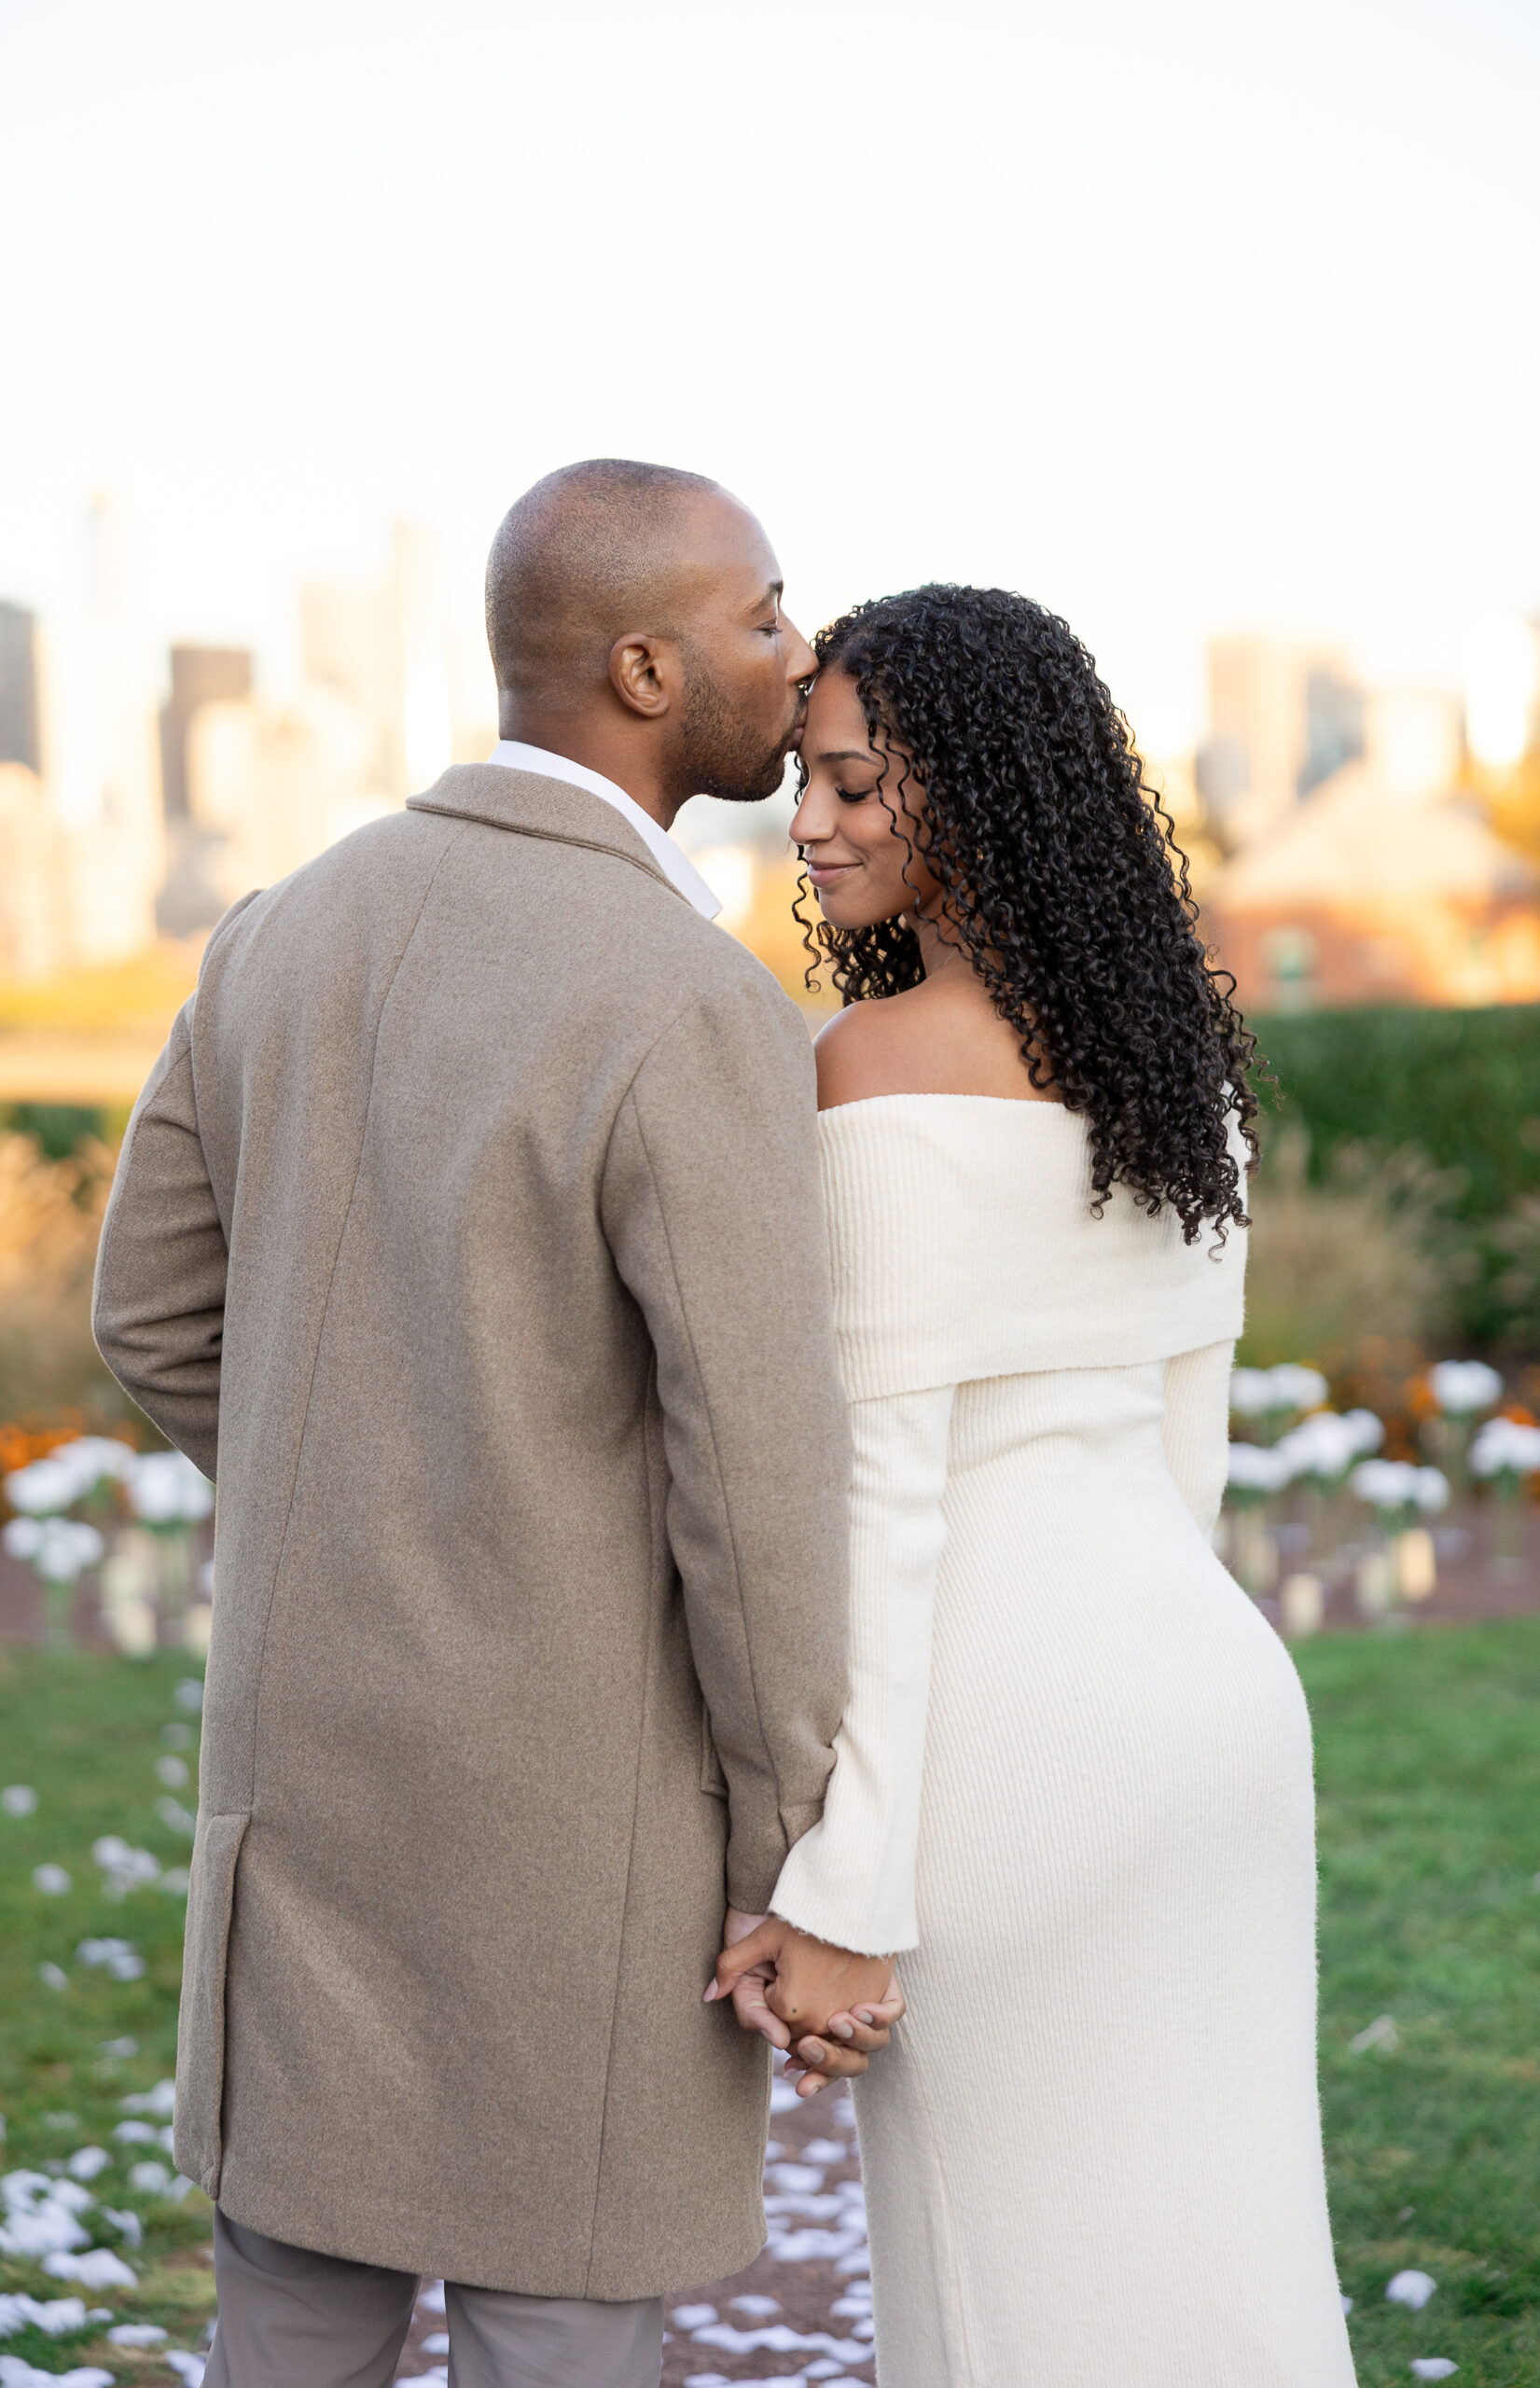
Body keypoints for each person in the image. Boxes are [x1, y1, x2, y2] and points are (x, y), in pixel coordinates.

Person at [92, 460, 896, 2388]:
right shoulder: (685, 998)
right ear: (639, 663)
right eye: (763, 616)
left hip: (300, 1795)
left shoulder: (277, 929)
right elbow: (752, 1479)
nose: (797, 664)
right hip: (576, 1828)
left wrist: (363, 1496)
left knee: (286, 2329)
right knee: (561, 2332)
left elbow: (147, 1313)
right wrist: (800, 1852)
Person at [716, 586, 1358, 2386]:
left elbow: (889, 1509)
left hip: (1012, 1745)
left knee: (1003, 2281)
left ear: (976, 793)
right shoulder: (1178, 1074)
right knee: (1218, 2243)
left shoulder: (870, 1068)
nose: (815, 825)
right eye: (806, 786)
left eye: (855, 784)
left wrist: (848, 1891)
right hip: (1211, 1707)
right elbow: (1182, 1451)